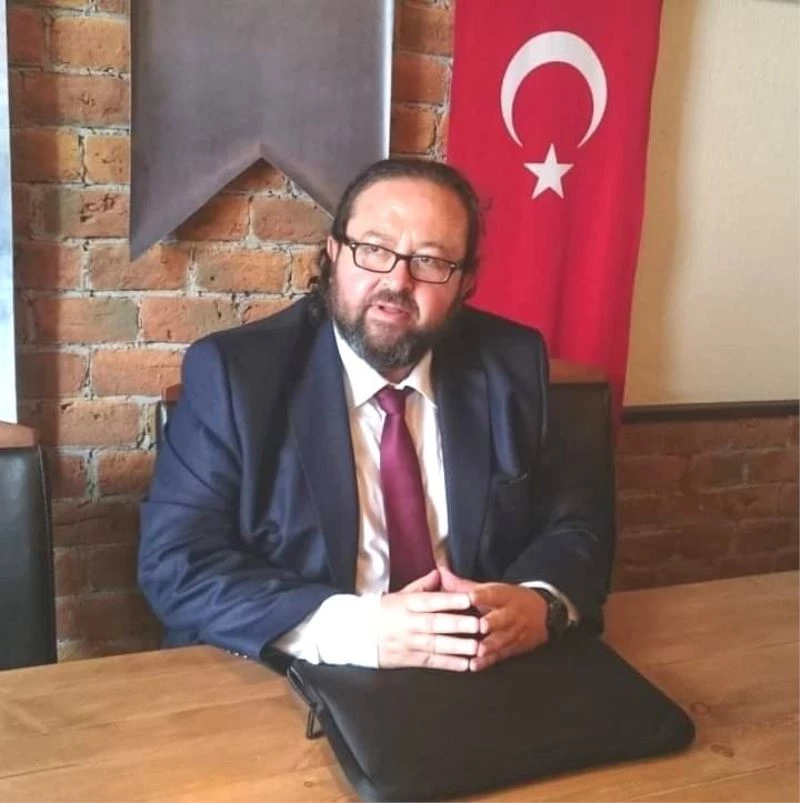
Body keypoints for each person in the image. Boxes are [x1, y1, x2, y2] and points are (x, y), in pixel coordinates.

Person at [139, 158, 612, 673]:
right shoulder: (236, 375)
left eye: (430, 261)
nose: (397, 281)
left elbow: (577, 525)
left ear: (465, 283)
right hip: (297, 673)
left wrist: (540, 602)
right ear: (334, 253)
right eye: (374, 250)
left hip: (483, 669)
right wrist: (361, 632)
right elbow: (177, 563)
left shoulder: (512, 362)